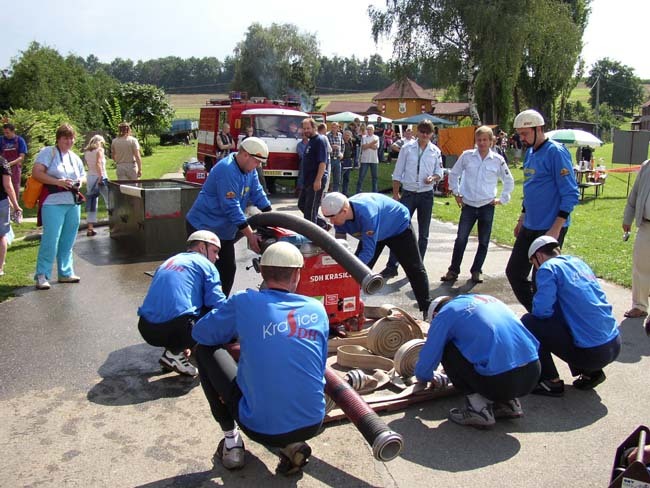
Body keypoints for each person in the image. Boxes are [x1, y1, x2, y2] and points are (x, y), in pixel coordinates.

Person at [192, 242, 328, 474]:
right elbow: (319, 364)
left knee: (203, 349)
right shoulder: (317, 309)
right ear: (297, 273)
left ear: (262, 271)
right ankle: (291, 444)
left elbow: (201, 333)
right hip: (313, 421)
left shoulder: (244, 302)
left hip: (259, 428)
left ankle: (232, 442)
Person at [415, 294, 540, 429]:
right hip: (533, 373)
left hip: (501, 382)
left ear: (435, 314)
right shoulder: (486, 299)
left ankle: (479, 410)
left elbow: (430, 353)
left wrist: (426, 376)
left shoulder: (445, 314)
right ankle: (509, 403)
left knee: (447, 347)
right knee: (500, 352)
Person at [521, 236, 621, 396]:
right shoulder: (577, 262)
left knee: (529, 322)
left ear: (538, 256)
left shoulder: (548, 268)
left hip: (593, 354)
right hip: (614, 344)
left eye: (534, 263)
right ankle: (591, 373)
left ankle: (550, 381)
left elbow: (541, 311)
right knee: (572, 316)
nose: (536, 268)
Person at [505, 109, 579, 312]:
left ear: (538, 129)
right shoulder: (530, 153)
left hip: (549, 227)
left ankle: (549, 319)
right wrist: (522, 218)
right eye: (519, 134)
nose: (522, 138)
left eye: (525, 133)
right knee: (514, 272)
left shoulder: (556, 152)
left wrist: (556, 228)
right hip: (530, 224)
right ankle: (538, 314)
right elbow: (531, 189)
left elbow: (571, 193)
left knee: (543, 280)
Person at [321, 192, 431, 317]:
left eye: (332, 217)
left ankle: (427, 308)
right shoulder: (339, 218)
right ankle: (344, 309)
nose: (331, 221)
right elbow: (341, 248)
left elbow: (368, 252)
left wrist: (349, 270)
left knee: (414, 268)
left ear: (344, 211)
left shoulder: (367, 213)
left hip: (397, 227)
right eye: (328, 218)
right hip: (374, 232)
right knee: (356, 274)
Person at [186, 137, 271, 297]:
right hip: (204, 227)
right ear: (245, 155)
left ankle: (219, 305)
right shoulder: (227, 169)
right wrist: (250, 236)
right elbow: (231, 207)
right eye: (257, 161)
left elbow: (258, 193)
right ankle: (199, 307)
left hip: (224, 231)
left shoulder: (249, 171)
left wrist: (271, 215)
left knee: (227, 270)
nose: (258, 166)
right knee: (205, 271)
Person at [138, 230, 225, 377]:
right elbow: (218, 303)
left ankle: (176, 349)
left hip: (146, 328)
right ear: (202, 247)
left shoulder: (169, 261)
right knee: (215, 310)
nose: (217, 257)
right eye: (215, 251)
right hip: (176, 329)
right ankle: (174, 353)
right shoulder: (207, 265)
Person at [441, 126, 514, 284]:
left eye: (485, 140)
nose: (482, 143)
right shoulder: (467, 156)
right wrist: (456, 193)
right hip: (468, 205)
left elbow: (508, 180)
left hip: (487, 205)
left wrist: (502, 199)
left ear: (491, 141)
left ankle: (476, 270)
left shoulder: (498, 160)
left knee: (484, 241)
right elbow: (454, 174)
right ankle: (453, 270)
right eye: (479, 140)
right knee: (461, 239)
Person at [381, 120, 443, 280]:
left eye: (427, 132)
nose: (424, 135)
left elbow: (440, 172)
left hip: (426, 194)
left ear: (432, 134)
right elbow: (398, 171)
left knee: (424, 233)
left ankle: (417, 267)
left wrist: (433, 178)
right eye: (422, 131)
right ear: (417, 132)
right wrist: (396, 193)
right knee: (399, 230)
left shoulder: (435, 151)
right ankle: (392, 266)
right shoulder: (407, 148)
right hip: (408, 193)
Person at [32, 124, 86, 290]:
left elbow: (83, 175)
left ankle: (65, 272)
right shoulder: (49, 152)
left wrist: (79, 181)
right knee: (51, 239)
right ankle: (42, 275)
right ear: (58, 139)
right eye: (65, 138)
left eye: (71, 138)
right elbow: (37, 173)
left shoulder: (74, 157)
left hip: (72, 202)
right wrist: (57, 182)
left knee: (68, 240)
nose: (69, 141)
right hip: (53, 202)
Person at [622, 159, 650, 323]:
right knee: (640, 266)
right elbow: (634, 194)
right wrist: (628, 218)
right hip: (646, 225)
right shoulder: (647, 166)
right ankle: (640, 305)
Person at [298, 118, 329, 229]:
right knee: (302, 205)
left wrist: (318, 180)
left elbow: (322, 162)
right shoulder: (310, 141)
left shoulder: (320, 141)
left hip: (315, 180)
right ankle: (323, 225)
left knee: (310, 211)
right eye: (304, 128)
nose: (306, 130)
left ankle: (310, 235)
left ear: (314, 128)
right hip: (307, 181)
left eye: (308, 128)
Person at [83, 135, 109, 237]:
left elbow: (88, 165)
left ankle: (90, 228)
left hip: (90, 176)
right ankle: (113, 222)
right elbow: (98, 163)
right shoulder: (99, 150)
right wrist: (100, 176)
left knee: (92, 202)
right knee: (109, 199)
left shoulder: (87, 152)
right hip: (100, 176)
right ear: (99, 142)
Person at [1, 155, 22, 276]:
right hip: (1, 202)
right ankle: (0, 267)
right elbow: (7, 186)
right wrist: (15, 205)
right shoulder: (2, 162)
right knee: (1, 236)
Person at [1, 123, 28, 206]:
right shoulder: (1, 140)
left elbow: (21, 157)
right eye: (4, 132)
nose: (5, 134)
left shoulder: (20, 140)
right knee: (3, 188)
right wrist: (3, 164)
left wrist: (9, 164)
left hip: (15, 168)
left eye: (7, 133)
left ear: (13, 131)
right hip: (2, 168)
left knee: (14, 188)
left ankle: (15, 208)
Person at [356, 124, 379, 193]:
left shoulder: (376, 137)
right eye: (368, 129)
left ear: (373, 130)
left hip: (374, 160)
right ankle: (358, 191)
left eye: (370, 129)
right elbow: (363, 147)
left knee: (375, 177)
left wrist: (367, 145)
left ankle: (375, 192)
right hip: (365, 160)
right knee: (361, 176)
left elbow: (375, 147)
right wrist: (372, 143)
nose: (369, 131)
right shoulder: (364, 137)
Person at [327, 122, 343, 192]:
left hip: (338, 159)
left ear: (338, 128)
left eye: (335, 127)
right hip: (330, 159)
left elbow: (343, 145)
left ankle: (336, 193)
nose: (334, 129)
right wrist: (332, 147)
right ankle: (325, 192)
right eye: (332, 127)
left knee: (337, 178)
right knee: (327, 177)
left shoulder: (340, 135)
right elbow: (325, 146)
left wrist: (342, 153)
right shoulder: (327, 135)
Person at [340, 130, 355, 196]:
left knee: (347, 179)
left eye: (348, 135)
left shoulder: (350, 143)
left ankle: (345, 192)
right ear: (343, 135)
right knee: (340, 178)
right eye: (346, 135)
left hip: (348, 162)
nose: (347, 137)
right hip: (342, 161)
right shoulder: (341, 142)